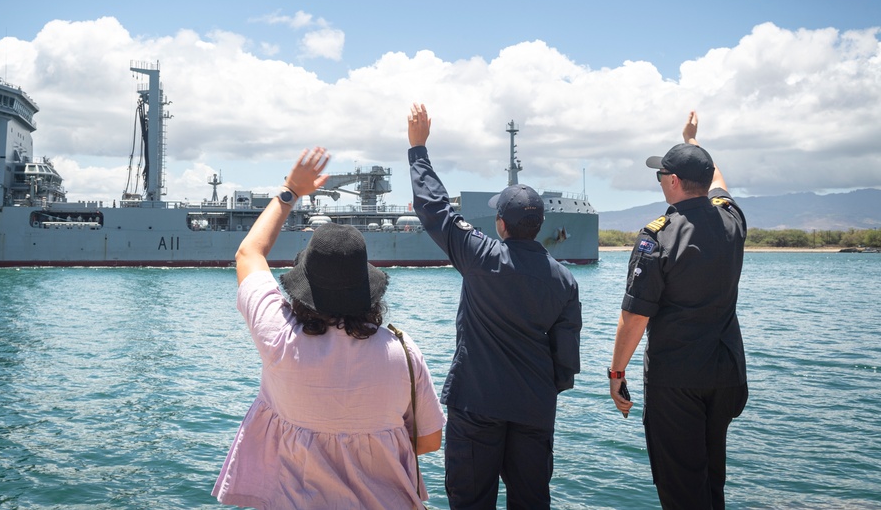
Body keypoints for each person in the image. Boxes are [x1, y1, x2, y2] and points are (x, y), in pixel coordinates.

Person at [213, 147, 445, 510]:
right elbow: (430, 440)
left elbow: (249, 254)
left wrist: (290, 190)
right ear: (367, 289)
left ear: (303, 288)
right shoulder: (403, 351)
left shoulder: (279, 338)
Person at [406, 104, 582, 510]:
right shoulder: (565, 281)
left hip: (477, 404)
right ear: (538, 224)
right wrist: (536, 390)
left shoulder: (480, 257)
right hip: (534, 409)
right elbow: (566, 360)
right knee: (531, 501)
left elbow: (434, 209)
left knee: (470, 500)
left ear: (501, 224)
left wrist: (418, 149)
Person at [608, 111, 749, 510]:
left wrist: (617, 374)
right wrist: (691, 141)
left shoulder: (658, 236)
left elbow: (635, 317)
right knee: (710, 482)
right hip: (726, 376)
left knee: (682, 492)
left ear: (671, 181)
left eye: (661, 175)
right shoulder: (732, 219)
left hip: (677, 382)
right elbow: (718, 180)